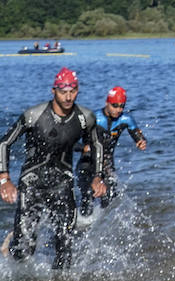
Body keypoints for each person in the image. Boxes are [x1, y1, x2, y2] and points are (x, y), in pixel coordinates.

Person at [0, 67, 105, 269]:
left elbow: (96, 144)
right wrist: (5, 179)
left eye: (72, 91)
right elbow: (4, 143)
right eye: (63, 91)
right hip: (32, 183)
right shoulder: (34, 115)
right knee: (24, 249)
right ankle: (10, 248)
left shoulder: (85, 117)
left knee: (65, 244)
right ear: (53, 91)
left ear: (77, 90)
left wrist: (97, 177)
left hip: (62, 183)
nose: (68, 97)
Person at [77, 85, 147, 219]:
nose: (118, 110)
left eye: (122, 106)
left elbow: (138, 136)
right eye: (115, 105)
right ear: (107, 103)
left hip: (107, 163)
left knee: (110, 198)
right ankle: (81, 225)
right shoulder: (93, 118)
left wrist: (141, 142)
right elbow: (71, 142)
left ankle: (101, 226)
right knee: (87, 196)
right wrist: (83, 148)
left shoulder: (126, 119)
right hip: (87, 162)